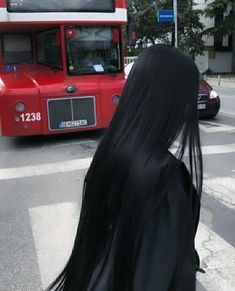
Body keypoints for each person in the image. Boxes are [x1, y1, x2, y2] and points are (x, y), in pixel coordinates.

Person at [47, 44, 203, 291]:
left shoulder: (116, 150)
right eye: (188, 96)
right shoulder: (163, 179)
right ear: (173, 101)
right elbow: (156, 277)